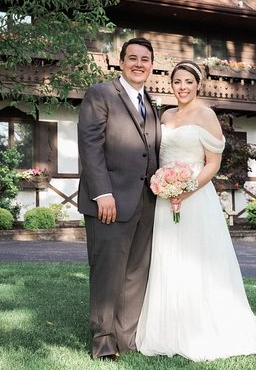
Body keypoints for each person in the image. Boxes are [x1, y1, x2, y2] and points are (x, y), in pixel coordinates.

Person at [135, 60, 256, 361]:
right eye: (177, 81)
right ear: (171, 84)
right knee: (168, 256)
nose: (182, 87)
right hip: (167, 199)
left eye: (188, 82)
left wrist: (185, 190)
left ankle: (204, 326)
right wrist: (167, 189)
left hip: (195, 196)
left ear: (197, 84)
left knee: (199, 258)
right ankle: (169, 327)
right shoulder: (165, 115)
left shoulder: (206, 115)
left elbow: (213, 164)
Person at [77, 37, 161, 361]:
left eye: (145, 59)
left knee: (135, 274)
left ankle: (128, 339)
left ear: (151, 65)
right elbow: (91, 147)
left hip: (146, 203)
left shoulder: (151, 103)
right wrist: (102, 193)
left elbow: (150, 153)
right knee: (107, 273)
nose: (139, 64)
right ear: (121, 62)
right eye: (133, 58)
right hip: (109, 203)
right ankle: (103, 344)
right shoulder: (100, 94)